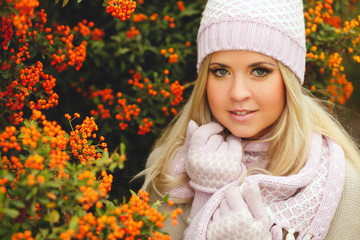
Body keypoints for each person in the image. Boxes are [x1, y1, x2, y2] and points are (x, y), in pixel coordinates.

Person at [138, 0, 360, 239]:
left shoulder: (339, 185)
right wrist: (204, 195)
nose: (237, 92)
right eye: (221, 71)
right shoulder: (170, 169)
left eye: (260, 71)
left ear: (289, 79)